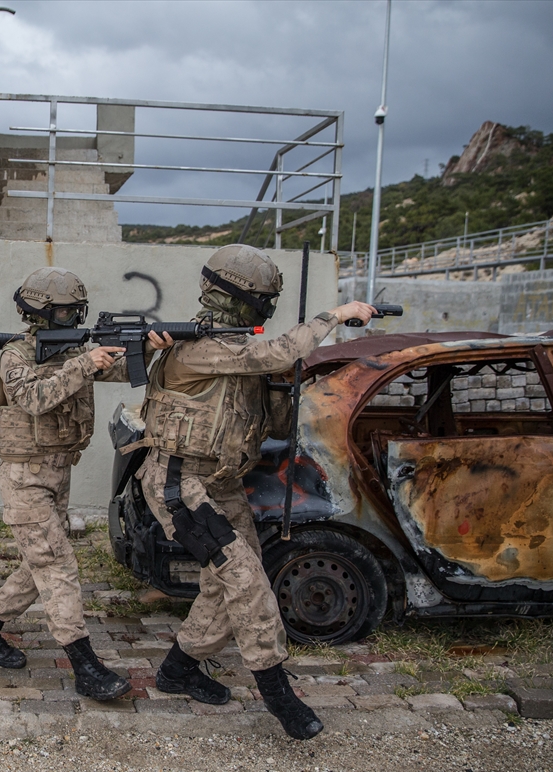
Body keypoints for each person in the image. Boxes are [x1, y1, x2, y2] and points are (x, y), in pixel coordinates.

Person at [129, 244, 375, 739]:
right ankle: (278, 694)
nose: (264, 308)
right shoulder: (198, 346)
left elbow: (271, 401)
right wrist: (338, 313)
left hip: (220, 482)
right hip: (181, 484)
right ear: (233, 297)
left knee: (229, 581)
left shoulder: (236, 347)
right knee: (246, 581)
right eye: (259, 299)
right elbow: (275, 350)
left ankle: (177, 669)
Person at [0, 267, 171, 701]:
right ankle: (84, 664)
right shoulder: (16, 355)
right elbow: (33, 399)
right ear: (40, 310)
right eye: (64, 310)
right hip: (24, 475)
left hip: (58, 471)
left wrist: (146, 348)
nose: (72, 317)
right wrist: (83, 362)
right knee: (57, 564)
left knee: (37, 562)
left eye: (77, 310)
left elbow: (113, 372)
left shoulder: (73, 348)